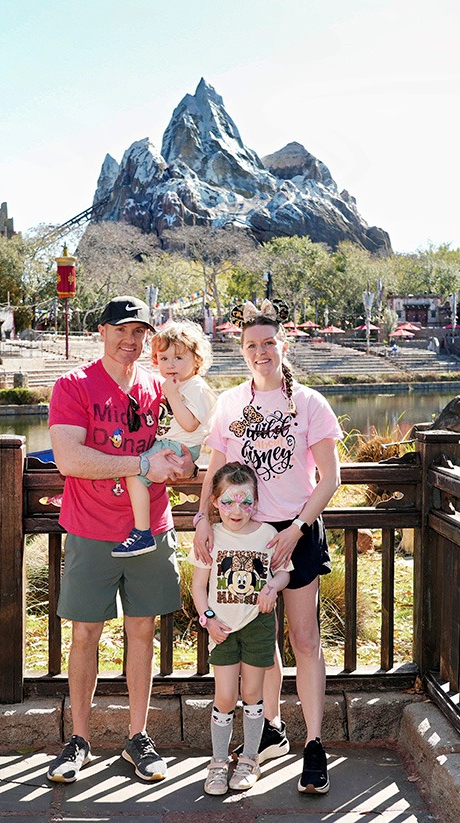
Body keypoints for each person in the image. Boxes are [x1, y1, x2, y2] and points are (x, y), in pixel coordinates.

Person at [193, 298, 342, 795]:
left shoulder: (310, 403)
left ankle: (315, 744)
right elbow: (214, 469)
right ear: (242, 351)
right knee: (261, 634)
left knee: (303, 638)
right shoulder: (231, 403)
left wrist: (298, 527)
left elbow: (330, 477)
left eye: (268, 343)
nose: (261, 351)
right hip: (244, 533)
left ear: (283, 345)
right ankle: (271, 727)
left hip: (296, 529)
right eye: (251, 345)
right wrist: (203, 519)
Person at [46, 295, 194, 784]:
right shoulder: (73, 385)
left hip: (151, 529)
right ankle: (80, 739)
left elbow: (181, 444)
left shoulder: (159, 386)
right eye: (121, 330)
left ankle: (137, 738)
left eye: (139, 333)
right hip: (91, 530)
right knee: (85, 633)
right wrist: (142, 465)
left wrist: (178, 464)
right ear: (102, 332)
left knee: (142, 632)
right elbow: (69, 459)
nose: (130, 340)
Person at [190, 462, 293, 795]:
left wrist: (272, 588)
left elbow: (283, 572)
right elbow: (198, 586)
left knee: (252, 694)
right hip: (223, 629)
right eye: (228, 502)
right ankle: (218, 762)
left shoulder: (266, 535)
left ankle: (249, 759)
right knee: (224, 696)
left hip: (257, 627)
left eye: (245, 502)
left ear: (256, 502)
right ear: (215, 502)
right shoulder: (211, 538)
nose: (237, 510)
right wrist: (208, 619)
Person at [113, 320, 217, 557]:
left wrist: (171, 395)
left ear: (196, 360)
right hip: (166, 445)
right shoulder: (170, 385)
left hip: (179, 449)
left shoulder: (196, 387)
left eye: (179, 358)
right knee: (132, 469)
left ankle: (142, 531)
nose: (171, 365)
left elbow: (190, 424)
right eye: (164, 358)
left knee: (135, 473)